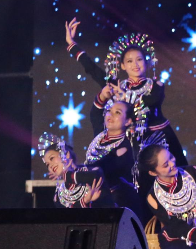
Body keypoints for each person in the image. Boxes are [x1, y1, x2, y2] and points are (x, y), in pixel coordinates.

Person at [65, 19, 187, 166]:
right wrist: (72, 44)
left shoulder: (155, 85)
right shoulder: (118, 86)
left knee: (178, 170)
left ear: (146, 62)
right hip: (132, 142)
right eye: (129, 61)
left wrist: (126, 96)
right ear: (122, 65)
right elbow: (93, 69)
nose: (135, 64)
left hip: (160, 138)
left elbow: (151, 101)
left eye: (139, 60)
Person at [82, 99, 142, 215]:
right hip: (92, 194)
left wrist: (72, 168)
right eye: (109, 110)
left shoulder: (125, 147)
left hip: (114, 201)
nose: (110, 114)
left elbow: (102, 169)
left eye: (117, 112)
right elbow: (94, 114)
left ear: (127, 121)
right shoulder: (100, 135)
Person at [38, 132, 110, 209]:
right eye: (47, 165)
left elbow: (94, 176)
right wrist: (84, 201)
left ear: (66, 154)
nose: (50, 166)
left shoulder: (93, 171)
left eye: (52, 158)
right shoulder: (58, 197)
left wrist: (67, 175)